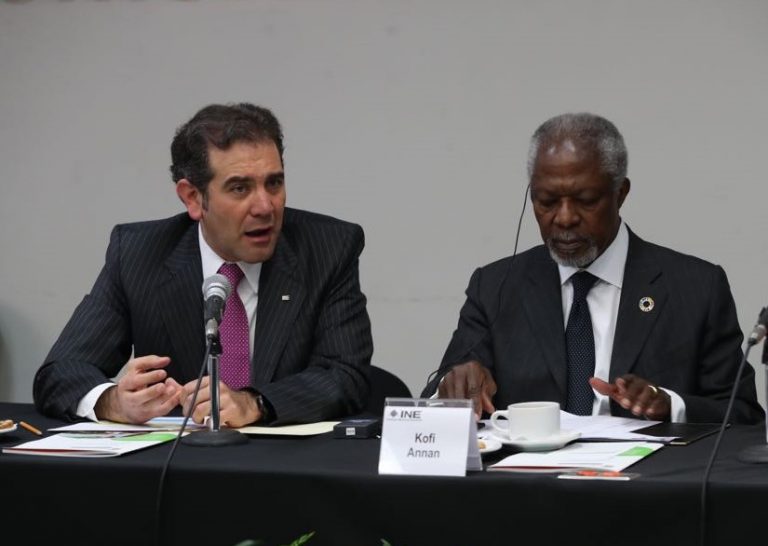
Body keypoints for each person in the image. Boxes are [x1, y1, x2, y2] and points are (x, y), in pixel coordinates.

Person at [34, 102, 373, 427]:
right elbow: (61, 371)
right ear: (193, 198)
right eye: (240, 188)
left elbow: (345, 376)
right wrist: (113, 402)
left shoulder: (327, 248)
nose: (265, 206)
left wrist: (254, 403)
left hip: (286, 471)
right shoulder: (140, 254)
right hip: (176, 471)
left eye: (274, 183)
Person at [422, 112, 763, 425]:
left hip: (647, 486)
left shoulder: (695, 288)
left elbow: (743, 414)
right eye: (547, 202)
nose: (565, 218)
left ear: (621, 193)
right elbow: (438, 401)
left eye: (585, 201)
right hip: (526, 487)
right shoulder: (496, 286)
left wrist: (670, 405)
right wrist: (453, 388)